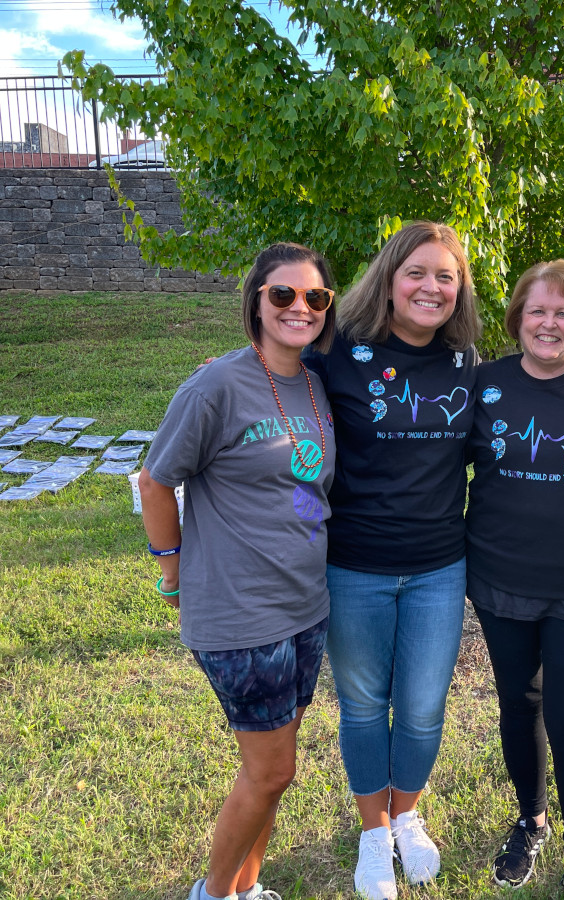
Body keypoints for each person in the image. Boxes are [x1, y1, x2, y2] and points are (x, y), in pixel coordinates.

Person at [138, 243, 337, 900]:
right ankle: (215, 893)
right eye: (282, 294)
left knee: (275, 772)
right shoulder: (216, 385)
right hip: (239, 611)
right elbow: (156, 479)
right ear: (255, 300)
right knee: (270, 772)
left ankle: (245, 888)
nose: (298, 308)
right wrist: (169, 571)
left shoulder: (315, 381)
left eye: (314, 297)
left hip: (304, 606)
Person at [303, 221, 481, 900]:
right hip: (354, 568)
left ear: (459, 289)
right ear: (389, 279)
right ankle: (373, 832)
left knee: (424, 709)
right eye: (416, 272)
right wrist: (236, 366)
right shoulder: (339, 352)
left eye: (445, 275)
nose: (430, 287)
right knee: (362, 707)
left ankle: (408, 814)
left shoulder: (467, 361)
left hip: (439, 567)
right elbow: (278, 386)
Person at [465, 261, 564, 900]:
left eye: (563, 312)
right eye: (536, 311)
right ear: (517, 320)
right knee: (517, 703)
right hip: (501, 575)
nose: (549, 323)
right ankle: (530, 819)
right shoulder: (484, 384)